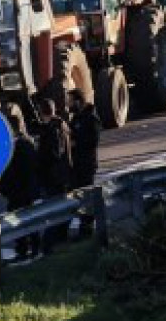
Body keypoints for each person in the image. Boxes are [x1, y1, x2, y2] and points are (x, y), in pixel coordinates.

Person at [0, 114, 41, 262]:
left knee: (17, 222)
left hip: (19, 192)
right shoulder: (27, 142)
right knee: (30, 221)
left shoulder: (18, 147)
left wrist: (3, 186)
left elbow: (13, 171)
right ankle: (34, 248)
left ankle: (24, 250)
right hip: (27, 190)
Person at [33, 98, 72, 253]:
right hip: (60, 175)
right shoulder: (60, 125)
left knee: (53, 211)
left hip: (53, 177)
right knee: (60, 209)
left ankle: (49, 244)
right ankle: (59, 241)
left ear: (42, 111)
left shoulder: (52, 129)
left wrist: (39, 158)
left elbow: (53, 153)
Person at [68, 91, 102, 237]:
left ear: (78, 101)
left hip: (87, 163)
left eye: (70, 101)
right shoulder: (76, 118)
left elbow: (94, 141)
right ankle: (84, 223)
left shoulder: (91, 118)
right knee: (79, 196)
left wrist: (76, 142)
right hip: (76, 164)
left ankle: (88, 226)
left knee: (87, 195)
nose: (68, 104)